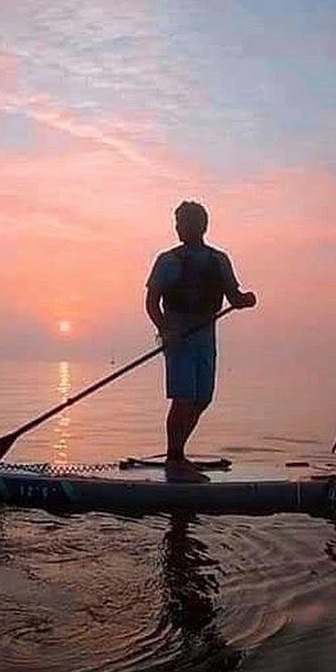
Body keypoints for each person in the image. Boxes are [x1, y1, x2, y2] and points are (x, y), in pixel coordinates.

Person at [145, 201, 257, 483]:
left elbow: (234, 296)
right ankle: (175, 457)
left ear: (201, 226)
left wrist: (245, 300)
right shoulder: (167, 260)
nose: (179, 227)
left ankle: (178, 453)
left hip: (206, 337)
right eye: (177, 222)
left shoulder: (219, 260)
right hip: (178, 338)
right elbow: (151, 302)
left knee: (202, 399)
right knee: (182, 399)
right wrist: (164, 329)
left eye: (184, 222)